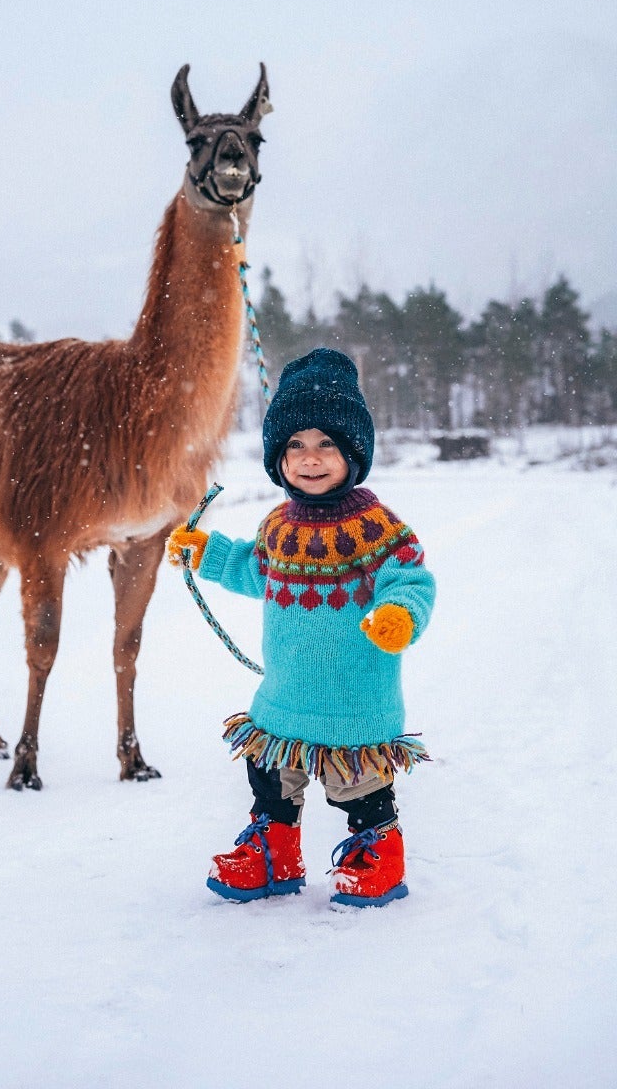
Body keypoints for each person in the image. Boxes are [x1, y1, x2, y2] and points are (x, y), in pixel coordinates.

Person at [167, 348, 436, 908]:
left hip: (354, 692)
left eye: (325, 445)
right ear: (277, 457)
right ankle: (274, 851)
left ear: (353, 453)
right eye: (295, 445)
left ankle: (377, 853)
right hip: (285, 692)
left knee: (357, 784)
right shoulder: (279, 524)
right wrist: (206, 553)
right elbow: (253, 568)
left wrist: (398, 615)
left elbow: (409, 580)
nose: (309, 459)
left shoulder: (376, 527)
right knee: (270, 775)